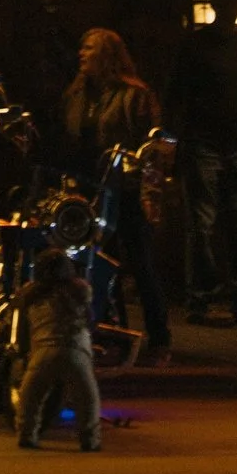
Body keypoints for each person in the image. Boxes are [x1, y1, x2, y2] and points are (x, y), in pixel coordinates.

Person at [165, 0, 237, 328]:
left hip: (224, 142)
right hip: (206, 142)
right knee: (210, 225)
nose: (230, 7)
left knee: (231, 225)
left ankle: (220, 299)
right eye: (226, 0)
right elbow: (177, 96)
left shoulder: (234, 47)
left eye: (233, 0)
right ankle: (212, 300)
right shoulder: (204, 46)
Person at [60, 26, 171, 365]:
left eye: (89, 48)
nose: (82, 54)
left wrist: (150, 189)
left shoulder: (133, 94)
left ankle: (159, 339)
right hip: (90, 190)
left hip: (125, 190)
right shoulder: (77, 93)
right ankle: (110, 334)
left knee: (140, 263)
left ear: (107, 54)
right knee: (98, 265)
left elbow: (153, 146)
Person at [13, 237, 102, 452]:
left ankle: (27, 435)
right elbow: (91, 320)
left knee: (30, 398)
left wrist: (24, 352)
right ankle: (89, 440)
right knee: (87, 400)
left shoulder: (30, 295)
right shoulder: (80, 290)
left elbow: (23, 331)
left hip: (43, 350)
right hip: (76, 351)